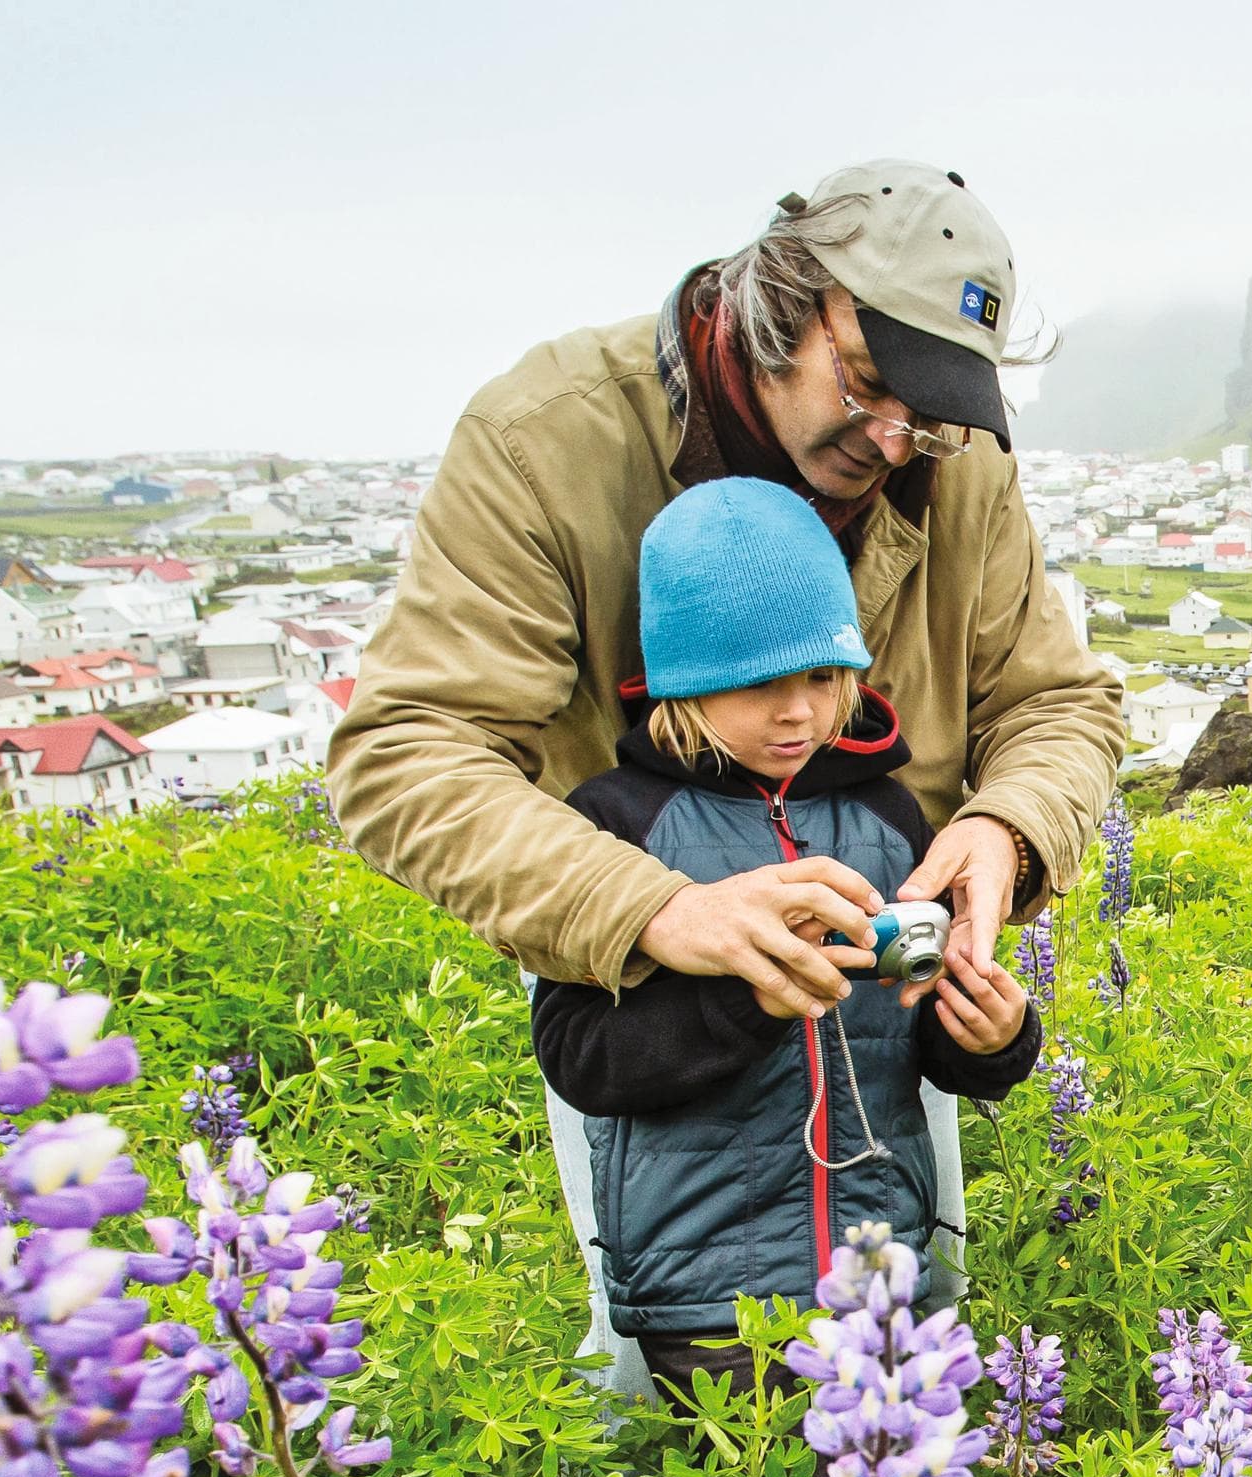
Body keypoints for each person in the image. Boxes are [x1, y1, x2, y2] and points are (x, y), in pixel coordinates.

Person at [329, 159, 1119, 1375]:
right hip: (640, 999)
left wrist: (1008, 830)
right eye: (873, 383)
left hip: (880, 1012)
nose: (900, 433)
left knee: (913, 1344)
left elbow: (1057, 703)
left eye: (939, 408)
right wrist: (659, 907)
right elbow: (406, 752)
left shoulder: (947, 459)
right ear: (777, 304)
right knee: (648, 1375)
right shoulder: (549, 437)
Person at [528, 479, 1039, 1396]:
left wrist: (991, 1038)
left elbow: (917, 1043)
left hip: (881, 1265)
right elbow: (581, 1060)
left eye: (821, 677)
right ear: (684, 681)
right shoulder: (617, 822)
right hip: (709, 1293)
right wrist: (746, 998)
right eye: (761, 684)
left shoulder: (886, 816)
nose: (798, 712)